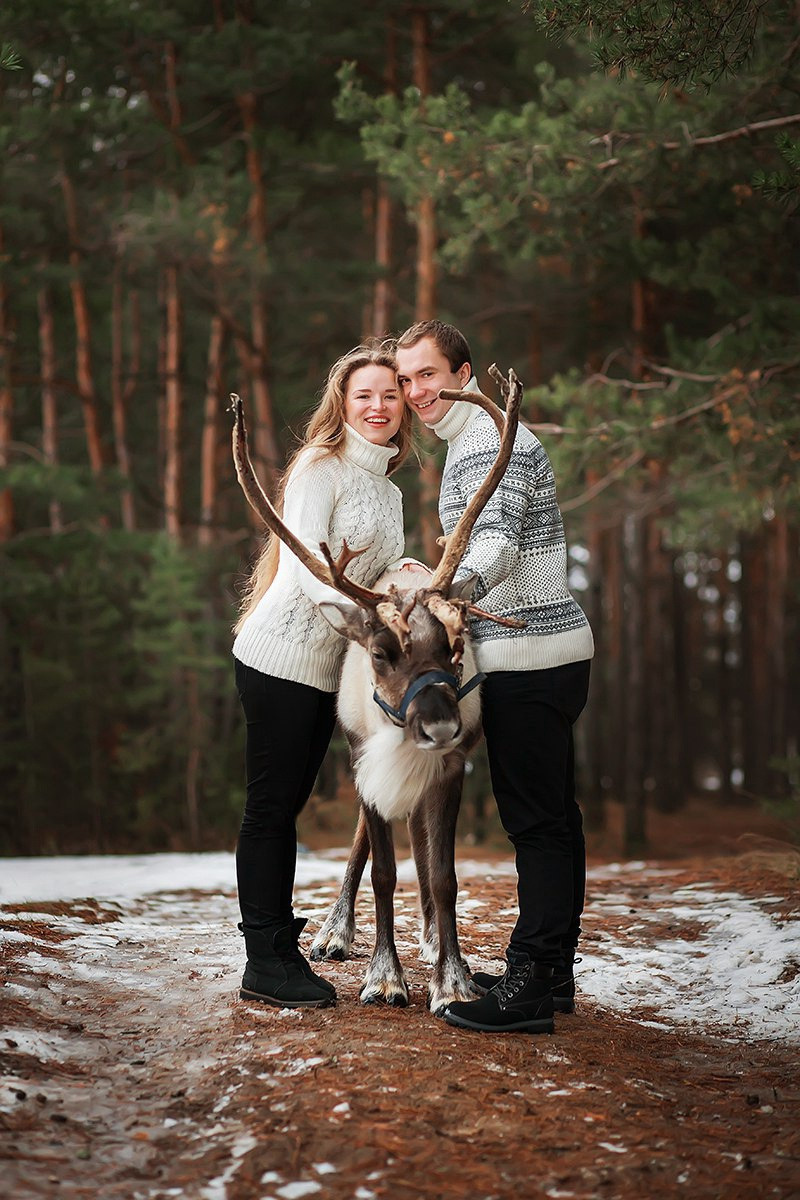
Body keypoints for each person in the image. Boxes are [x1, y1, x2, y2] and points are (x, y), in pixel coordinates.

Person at [395, 320, 594, 1034]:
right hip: (550, 649)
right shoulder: (474, 436)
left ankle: (531, 985)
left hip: (529, 655)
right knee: (556, 821)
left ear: (463, 368)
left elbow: (500, 545)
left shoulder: (485, 436)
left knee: (536, 825)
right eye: (407, 378)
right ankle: (554, 972)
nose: (416, 392)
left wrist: (442, 589)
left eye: (427, 374)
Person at [232, 343, 413, 1009]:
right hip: (280, 656)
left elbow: (378, 573)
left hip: (326, 668)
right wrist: (356, 620)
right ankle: (265, 960)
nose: (377, 406)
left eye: (389, 396)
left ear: (402, 409)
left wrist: (412, 576)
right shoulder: (319, 467)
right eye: (364, 395)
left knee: (290, 804)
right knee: (271, 807)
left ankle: (276, 943)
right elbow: (309, 562)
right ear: (342, 403)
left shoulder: (389, 490)